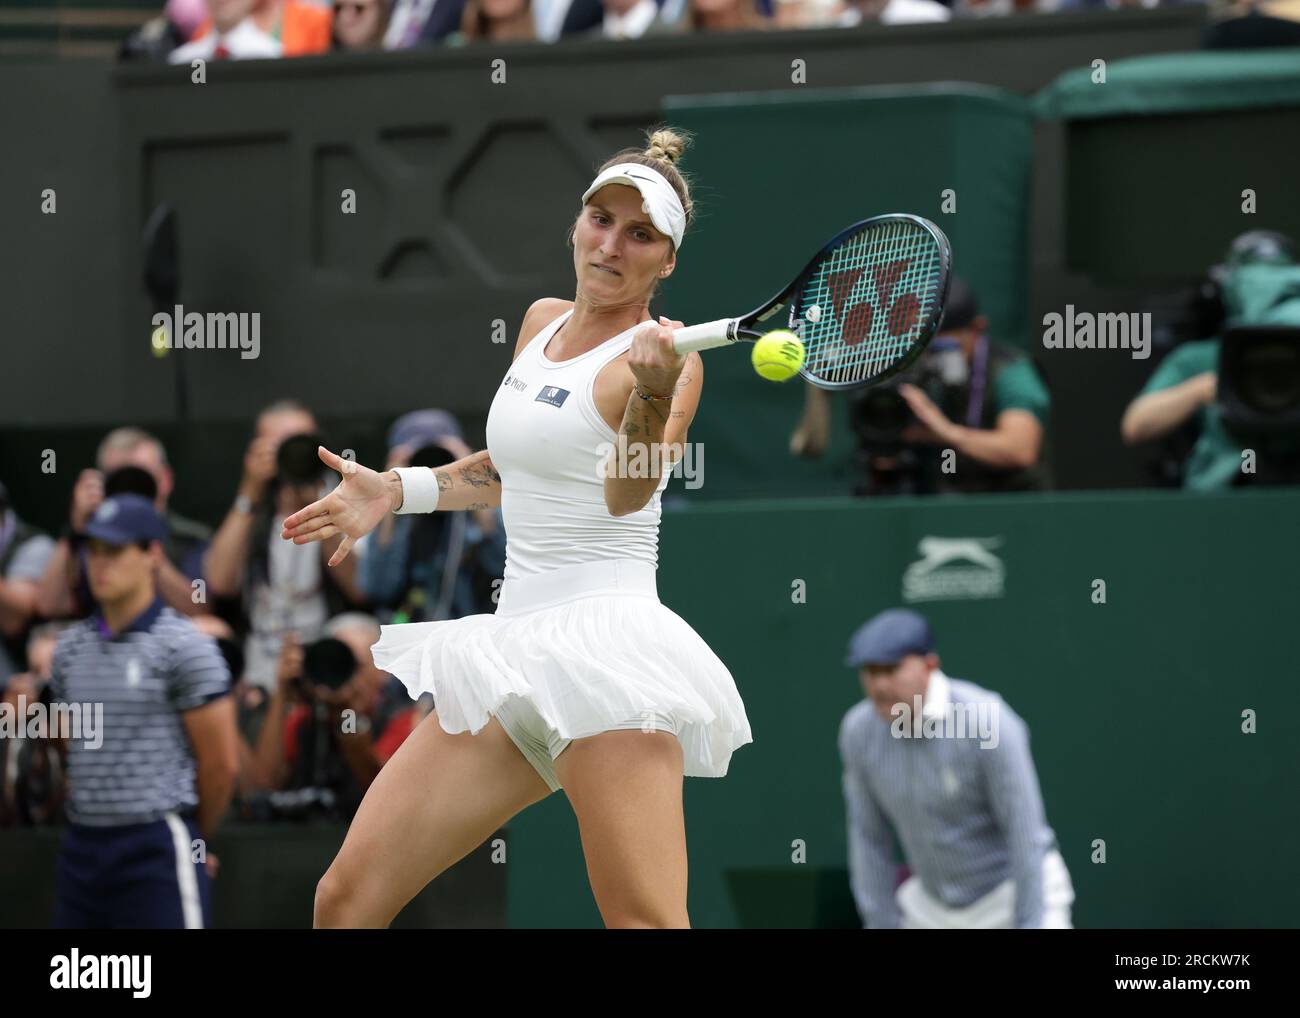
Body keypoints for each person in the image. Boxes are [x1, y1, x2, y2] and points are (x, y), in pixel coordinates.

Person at [282, 126, 752, 928]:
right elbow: (518, 464)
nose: (611, 244)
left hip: (610, 661)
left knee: (645, 923)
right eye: (600, 220)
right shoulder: (539, 322)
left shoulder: (680, 364)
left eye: (640, 234)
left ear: (666, 262)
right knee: (345, 899)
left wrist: (648, 391)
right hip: (511, 656)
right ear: (576, 223)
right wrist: (401, 489)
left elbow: (628, 493)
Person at [47, 494, 238, 928]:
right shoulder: (68, 651)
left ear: (152, 555)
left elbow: (221, 765)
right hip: (82, 847)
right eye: (92, 551)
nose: (99, 563)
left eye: (114, 551)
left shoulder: (186, 648)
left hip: (156, 845)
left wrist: (193, 841)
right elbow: (72, 748)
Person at [838, 608, 1073, 929]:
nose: (879, 685)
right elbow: (869, 839)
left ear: (930, 665)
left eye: (891, 669)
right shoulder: (858, 731)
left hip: (1014, 893)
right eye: (870, 671)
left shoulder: (988, 721)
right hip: (931, 908)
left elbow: (1025, 835)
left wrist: (1029, 923)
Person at [792, 276, 1052, 494]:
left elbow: (1020, 450)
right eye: (921, 344)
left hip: (1011, 511)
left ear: (977, 328)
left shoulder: (1011, 372)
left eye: (941, 346)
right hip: (924, 503)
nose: (930, 357)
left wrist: (943, 431)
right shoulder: (903, 363)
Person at [204, 400, 367, 691]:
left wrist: (320, 512)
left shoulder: (349, 496)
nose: (296, 455)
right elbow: (219, 581)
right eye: (283, 446)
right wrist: (249, 491)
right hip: (260, 659)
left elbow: (359, 588)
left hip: (329, 654)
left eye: (302, 443)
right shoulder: (253, 508)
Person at [35, 427, 214, 622]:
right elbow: (49, 606)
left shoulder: (192, 538)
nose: (131, 491)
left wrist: (148, 553)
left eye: (140, 477)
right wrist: (76, 529)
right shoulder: (90, 538)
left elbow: (200, 607)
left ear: (165, 480)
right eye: (121, 479)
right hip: (103, 638)